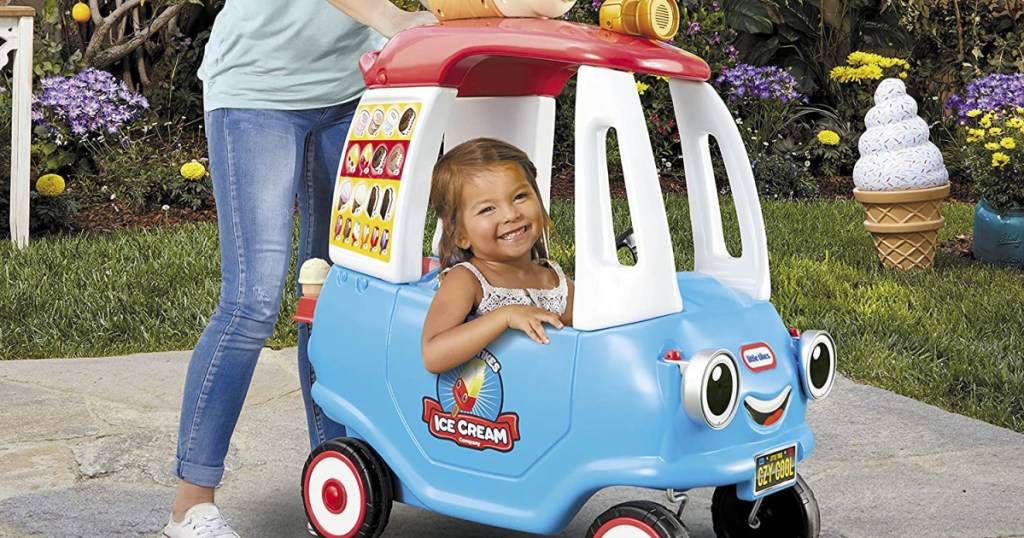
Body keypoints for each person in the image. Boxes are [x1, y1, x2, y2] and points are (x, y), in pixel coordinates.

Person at [162, 2, 436, 537]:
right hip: (257, 89)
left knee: (339, 299)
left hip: (354, 89)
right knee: (251, 302)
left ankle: (338, 484)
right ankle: (189, 509)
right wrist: (394, 19)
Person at [421, 138, 575, 374]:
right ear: (461, 235)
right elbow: (433, 355)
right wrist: (506, 316)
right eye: (487, 209)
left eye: (520, 196)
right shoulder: (467, 280)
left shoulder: (554, 281)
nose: (511, 214)